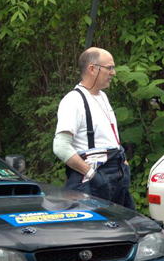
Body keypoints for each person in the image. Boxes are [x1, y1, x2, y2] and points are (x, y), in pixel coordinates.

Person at [53, 47, 135, 210]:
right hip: (91, 184)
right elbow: (60, 146)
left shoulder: (102, 96)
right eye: (109, 68)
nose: (114, 73)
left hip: (115, 179)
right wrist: (91, 174)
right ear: (92, 69)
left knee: (124, 229)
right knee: (93, 232)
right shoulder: (73, 101)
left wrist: (123, 165)